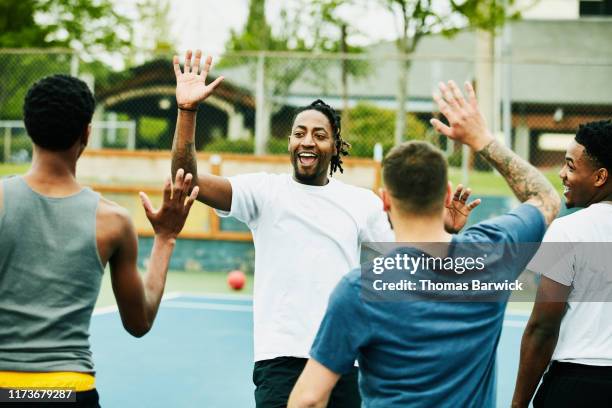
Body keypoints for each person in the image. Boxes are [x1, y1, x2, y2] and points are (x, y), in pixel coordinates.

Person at [170, 50, 480, 407]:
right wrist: (187, 111)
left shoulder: (361, 203)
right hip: (280, 360)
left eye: (319, 135)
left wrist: (444, 228)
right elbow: (186, 176)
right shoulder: (263, 193)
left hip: (344, 359)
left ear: (335, 147)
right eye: (299, 133)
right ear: (289, 142)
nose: (307, 141)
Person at [287, 80, 560, 408]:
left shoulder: (359, 288)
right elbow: (545, 197)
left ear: (385, 201)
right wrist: (481, 139)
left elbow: (308, 399)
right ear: (447, 194)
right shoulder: (490, 253)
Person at [0, 74, 198, 407]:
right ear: (87, 133)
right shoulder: (113, 222)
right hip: (70, 391)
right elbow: (140, 321)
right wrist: (165, 237)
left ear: (28, 127)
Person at [512, 120, 612, 408]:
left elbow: (542, 328)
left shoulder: (568, 230)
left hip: (577, 384)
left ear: (600, 176)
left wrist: (518, 404)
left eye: (570, 165)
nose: (562, 174)